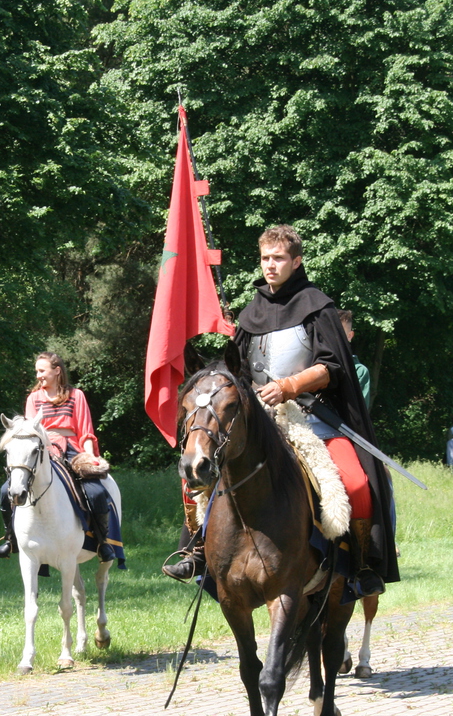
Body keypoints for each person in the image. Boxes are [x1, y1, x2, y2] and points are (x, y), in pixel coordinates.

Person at [164, 225, 397, 599]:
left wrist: (288, 386)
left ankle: (361, 565)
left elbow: (332, 366)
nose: (270, 266)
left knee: (356, 484)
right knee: (196, 470)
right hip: (256, 420)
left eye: (279, 258)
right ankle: (196, 551)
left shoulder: (317, 306)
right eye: (265, 258)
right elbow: (236, 368)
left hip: (312, 417)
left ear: (296, 261)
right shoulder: (250, 313)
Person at [0, 352, 114, 562]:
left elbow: (86, 431)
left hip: (73, 451)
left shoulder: (77, 396)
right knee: (6, 490)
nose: (38, 375)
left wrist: (91, 456)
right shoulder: (34, 398)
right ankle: (11, 539)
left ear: (57, 371)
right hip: (43, 452)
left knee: (96, 493)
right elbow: (31, 433)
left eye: (42, 371)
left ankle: (102, 543)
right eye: (36, 371)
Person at [338, 309, 372, 410]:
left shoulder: (359, 371)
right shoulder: (309, 361)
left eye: (340, 333)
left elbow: (359, 413)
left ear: (350, 336)